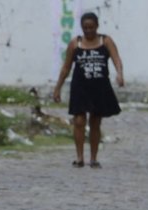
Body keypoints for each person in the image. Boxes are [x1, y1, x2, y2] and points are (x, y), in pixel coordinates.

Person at [53, 11, 124, 168]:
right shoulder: (75, 44)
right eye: (85, 28)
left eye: (91, 27)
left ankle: (93, 158)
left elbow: (116, 59)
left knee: (95, 122)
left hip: (99, 88)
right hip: (80, 87)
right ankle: (79, 157)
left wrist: (119, 74)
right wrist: (57, 88)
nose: (89, 31)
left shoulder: (105, 41)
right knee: (79, 121)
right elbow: (66, 68)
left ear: (97, 26)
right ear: (82, 28)